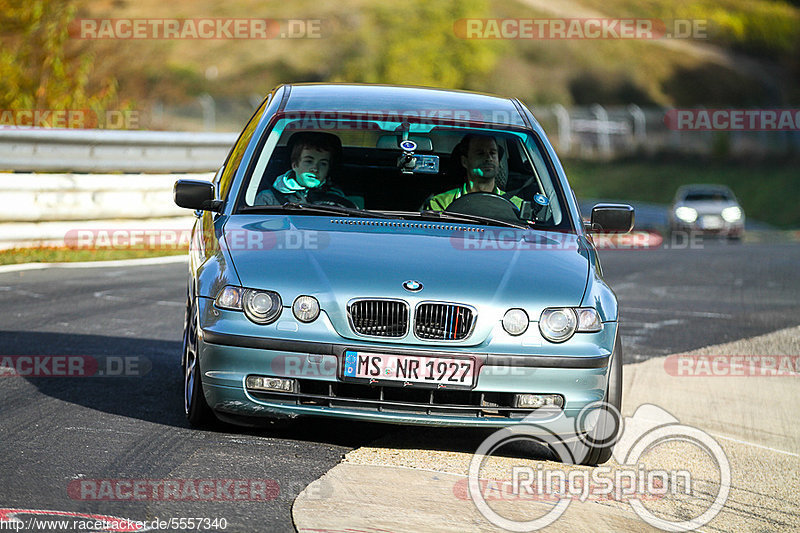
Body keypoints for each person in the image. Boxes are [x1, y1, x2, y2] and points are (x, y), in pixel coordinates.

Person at [422, 134, 523, 211]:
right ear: (465, 161)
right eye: (480, 153)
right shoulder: (441, 203)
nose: (488, 158)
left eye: (492, 153)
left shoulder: (517, 206)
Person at [255, 132, 353, 206]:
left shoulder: (338, 201)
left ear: (328, 169)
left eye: (323, 163)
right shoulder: (268, 198)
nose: (315, 169)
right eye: (309, 161)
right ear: (294, 165)